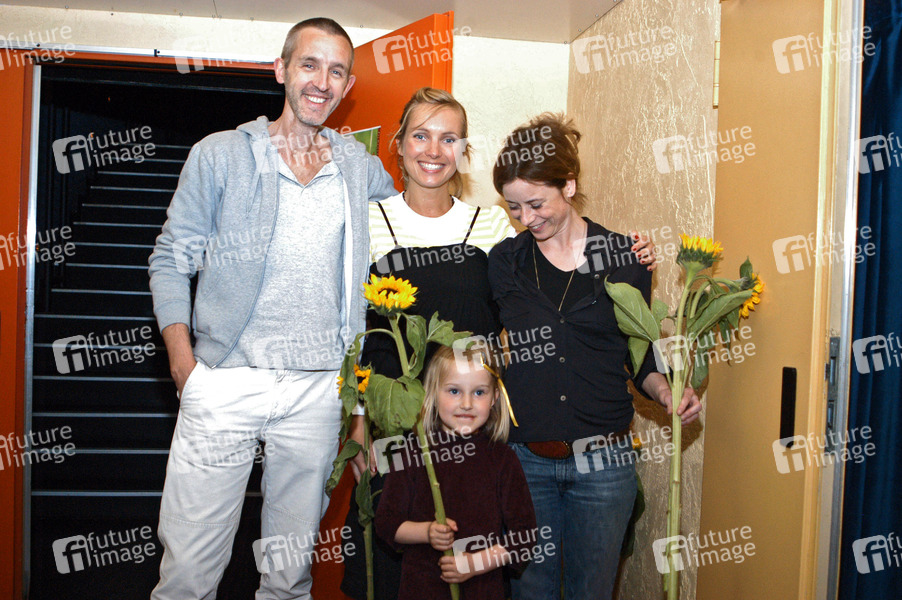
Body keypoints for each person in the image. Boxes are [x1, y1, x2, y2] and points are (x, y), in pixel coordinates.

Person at [340, 88, 658, 600]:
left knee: (477, 570)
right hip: (396, 427)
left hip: (476, 432)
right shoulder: (364, 222)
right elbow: (352, 330)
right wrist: (359, 418)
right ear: (398, 144)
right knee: (396, 569)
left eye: (449, 138)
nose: (434, 150)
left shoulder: (491, 227)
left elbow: (556, 274)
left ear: (464, 151)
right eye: (420, 135)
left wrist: (628, 252)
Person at [147, 18, 397, 599]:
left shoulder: (359, 167)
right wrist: (184, 365)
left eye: (336, 71)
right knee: (188, 574)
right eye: (309, 64)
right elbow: (171, 258)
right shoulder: (220, 154)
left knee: (289, 577)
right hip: (225, 382)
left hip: (318, 391)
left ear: (348, 86)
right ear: (281, 70)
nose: (321, 81)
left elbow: (413, 227)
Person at [487, 113, 701, 600]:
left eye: (536, 204)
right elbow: (478, 342)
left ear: (568, 184)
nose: (526, 219)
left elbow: (639, 354)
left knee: (593, 591)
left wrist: (667, 390)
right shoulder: (506, 262)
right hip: (526, 462)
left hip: (603, 466)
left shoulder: (626, 257)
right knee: (529, 593)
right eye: (514, 207)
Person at [374, 345, 537, 600]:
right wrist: (427, 532)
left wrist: (475, 563)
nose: (467, 404)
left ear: (495, 397)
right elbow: (386, 523)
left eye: (479, 392)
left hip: (483, 591)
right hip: (422, 589)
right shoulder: (413, 452)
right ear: (432, 393)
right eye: (454, 391)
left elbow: (524, 537)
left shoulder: (503, 459)